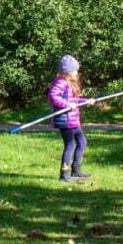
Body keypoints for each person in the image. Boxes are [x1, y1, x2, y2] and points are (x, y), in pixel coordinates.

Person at [48, 54, 95, 182]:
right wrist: (68, 105)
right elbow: (53, 97)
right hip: (65, 120)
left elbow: (74, 100)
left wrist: (86, 101)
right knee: (70, 144)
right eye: (75, 71)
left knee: (82, 142)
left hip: (73, 120)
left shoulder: (69, 83)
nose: (76, 73)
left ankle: (76, 170)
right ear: (67, 72)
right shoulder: (61, 82)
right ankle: (64, 174)